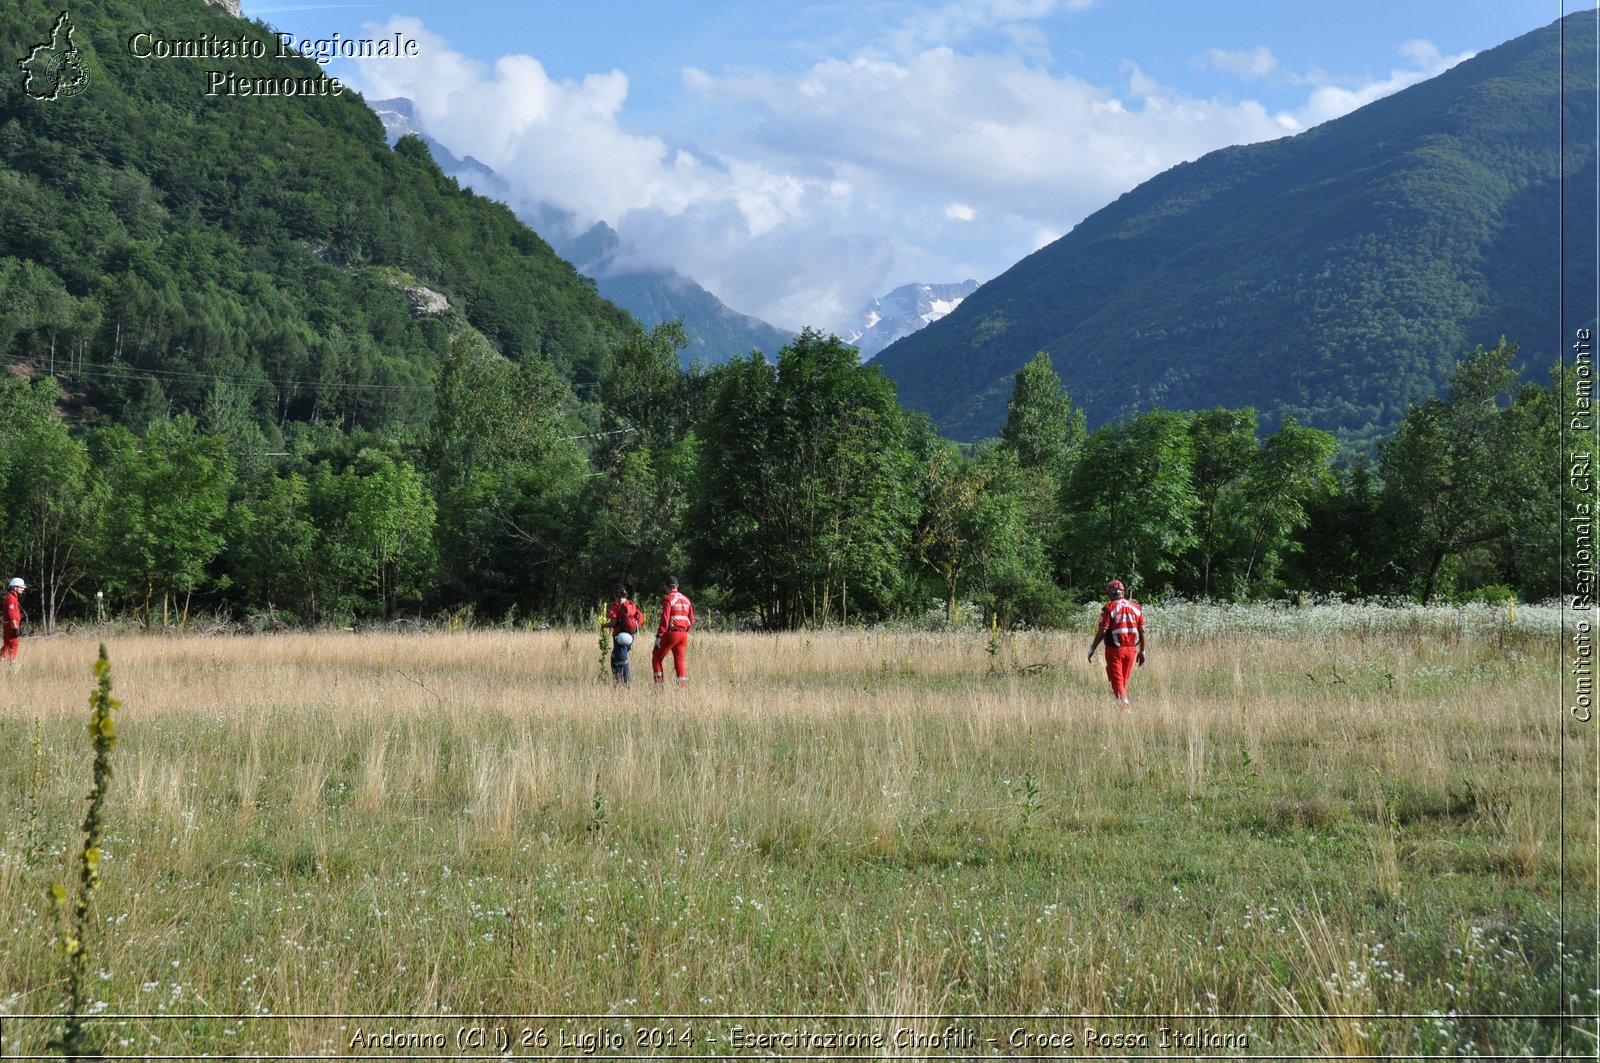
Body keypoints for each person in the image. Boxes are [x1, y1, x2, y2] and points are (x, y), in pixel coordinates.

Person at [1087, 579, 1145, 710]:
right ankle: (1120, 706)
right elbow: (1142, 631)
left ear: (1111, 594)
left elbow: (1103, 630)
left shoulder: (1108, 608)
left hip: (1114, 650)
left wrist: (1092, 648)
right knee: (1123, 681)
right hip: (1132, 650)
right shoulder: (1137, 608)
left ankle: (1125, 709)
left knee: (1117, 680)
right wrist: (1143, 651)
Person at [651, 575, 695, 687]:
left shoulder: (668, 599)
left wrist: (659, 635)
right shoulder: (686, 600)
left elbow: (664, 619)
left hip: (671, 633)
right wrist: (685, 631)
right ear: (677, 586)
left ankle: (659, 687)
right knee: (679, 661)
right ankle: (682, 688)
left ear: (666, 587)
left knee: (656, 658)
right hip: (683, 634)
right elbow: (692, 620)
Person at [606, 584, 644, 685]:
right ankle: (622, 681)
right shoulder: (630, 604)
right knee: (618, 657)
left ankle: (623, 683)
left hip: (620, 636)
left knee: (620, 660)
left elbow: (613, 623)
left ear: (615, 594)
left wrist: (604, 625)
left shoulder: (616, 605)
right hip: (630, 635)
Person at [2, 577, 25, 664]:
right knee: (13, 644)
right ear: (15, 587)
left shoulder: (13, 597)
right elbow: (12, 615)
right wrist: (16, 629)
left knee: (8, 644)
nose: (23, 589)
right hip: (11, 626)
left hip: (11, 625)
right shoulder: (11, 598)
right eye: (21, 587)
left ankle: (2, 658)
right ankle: (12, 662)